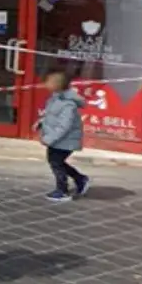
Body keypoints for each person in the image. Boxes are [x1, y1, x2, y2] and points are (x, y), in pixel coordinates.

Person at [37, 69, 90, 202]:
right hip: (58, 140)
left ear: (57, 84)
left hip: (65, 141)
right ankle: (80, 179)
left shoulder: (68, 104)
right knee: (56, 162)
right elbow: (51, 116)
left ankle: (62, 190)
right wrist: (41, 123)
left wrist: (49, 139)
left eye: (48, 82)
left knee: (56, 163)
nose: (45, 84)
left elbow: (64, 126)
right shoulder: (55, 98)